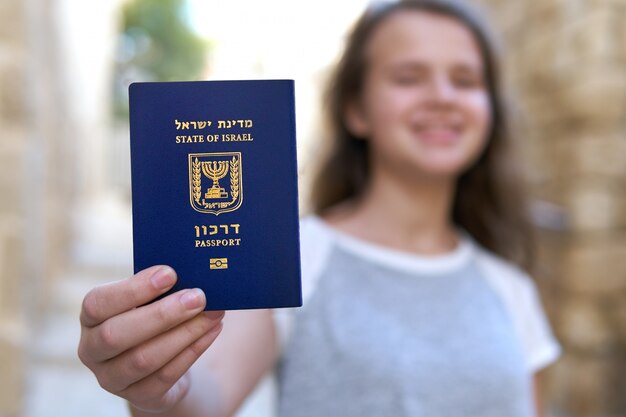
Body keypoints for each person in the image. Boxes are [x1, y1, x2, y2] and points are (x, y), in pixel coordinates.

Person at [78, 1, 561, 416]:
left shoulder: (511, 289)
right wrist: (157, 386)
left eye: (466, 79)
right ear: (355, 108)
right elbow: (205, 393)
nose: (442, 96)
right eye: (409, 77)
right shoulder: (295, 255)